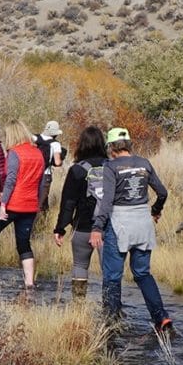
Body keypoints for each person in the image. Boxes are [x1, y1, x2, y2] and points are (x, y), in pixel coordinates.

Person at [88, 127, 174, 335]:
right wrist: (155, 211)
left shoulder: (110, 167)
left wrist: (97, 227)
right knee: (143, 273)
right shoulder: (144, 163)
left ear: (111, 147)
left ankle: (112, 322)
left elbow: (106, 202)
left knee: (112, 276)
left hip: (119, 224)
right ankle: (161, 318)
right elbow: (162, 192)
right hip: (143, 222)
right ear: (128, 144)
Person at [0, 120, 45, 288]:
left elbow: (10, 180)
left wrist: (3, 204)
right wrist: (37, 203)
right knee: (23, 242)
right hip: (30, 205)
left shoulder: (14, 153)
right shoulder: (38, 153)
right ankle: (30, 283)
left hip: (13, 203)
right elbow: (41, 181)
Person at [53, 126, 108, 300]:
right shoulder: (112, 168)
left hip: (82, 227)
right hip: (107, 228)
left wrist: (60, 228)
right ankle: (111, 307)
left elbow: (68, 202)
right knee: (109, 269)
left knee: (80, 265)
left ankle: (78, 305)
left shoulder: (77, 169)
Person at [35, 120, 64, 211]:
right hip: (45, 174)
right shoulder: (55, 144)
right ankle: (39, 222)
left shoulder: (34, 138)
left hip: (32, 172)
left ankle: (43, 219)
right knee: (41, 201)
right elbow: (57, 162)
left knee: (35, 198)